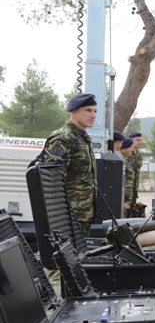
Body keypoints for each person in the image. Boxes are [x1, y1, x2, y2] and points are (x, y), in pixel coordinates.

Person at [43, 92, 98, 237]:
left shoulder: (82, 138)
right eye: (88, 110)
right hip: (67, 218)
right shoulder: (63, 138)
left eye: (95, 111)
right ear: (74, 112)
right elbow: (52, 181)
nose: (93, 115)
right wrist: (61, 218)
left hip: (82, 214)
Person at [118, 138, 136, 216]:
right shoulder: (120, 159)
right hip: (123, 196)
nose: (132, 149)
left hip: (127, 196)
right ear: (125, 147)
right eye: (130, 147)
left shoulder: (126, 159)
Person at [127, 131, 143, 205]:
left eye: (140, 140)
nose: (140, 142)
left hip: (134, 187)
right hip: (127, 187)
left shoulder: (139, 155)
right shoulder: (127, 154)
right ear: (131, 140)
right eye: (137, 140)